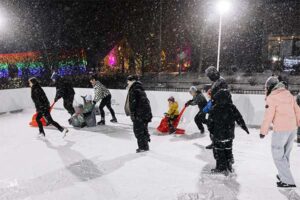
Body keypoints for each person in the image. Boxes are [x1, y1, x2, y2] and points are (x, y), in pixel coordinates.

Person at [260, 76, 300, 188]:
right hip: (292, 129)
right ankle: (283, 174)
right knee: (285, 154)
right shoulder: (288, 94)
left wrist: (263, 131)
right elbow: (297, 110)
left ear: (270, 87)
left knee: (277, 154)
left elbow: (268, 116)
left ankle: (287, 181)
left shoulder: (272, 97)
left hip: (281, 130)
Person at [207, 89, 249, 175]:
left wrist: (211, 131)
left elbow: (210, 122)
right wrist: (244, 127)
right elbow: (239, 118)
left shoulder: (214, 108)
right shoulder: (232, 107)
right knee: (228, 148)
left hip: (218, 135)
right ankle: (229, 163)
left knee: (219, 150)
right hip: (229, 134)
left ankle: (221, 167)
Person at [125, 75, 152, 153]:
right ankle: (145, 146)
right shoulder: (139, 87)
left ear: (132, 81)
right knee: (143, 129)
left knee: (138, 130)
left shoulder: (133, 88)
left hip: (140, 113)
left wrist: (133, 114)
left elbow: (133, 103)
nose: (127, 82)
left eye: (128, 81)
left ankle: (142, 147)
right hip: (145, 112)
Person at [205, 66, 230, 149]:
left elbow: (224, 95)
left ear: (213, 74)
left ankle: (219, 143)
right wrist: (210, 92)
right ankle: (214, 142)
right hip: (215, 106)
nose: (209, 78)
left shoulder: (221, 82)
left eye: (209, 76)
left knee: (218, 126)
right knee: (211, 125)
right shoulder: (216, 81)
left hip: (220, 108)